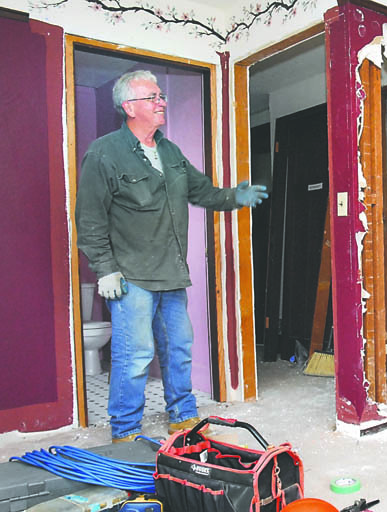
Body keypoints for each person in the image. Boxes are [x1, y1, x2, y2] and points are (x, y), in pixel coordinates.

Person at [75, 70, 268, 442]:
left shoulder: (170, 151)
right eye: (153, 97)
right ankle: (126, 430)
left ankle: (182, 414)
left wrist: (234, 197)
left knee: (178, 348)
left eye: (162, 95)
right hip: (131, 274)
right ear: (129, 107)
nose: (162, 101)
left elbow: (201, 192)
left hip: (172, 273)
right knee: (134, 357)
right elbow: (90, 219)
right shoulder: (104, 153)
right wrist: (105, 270)